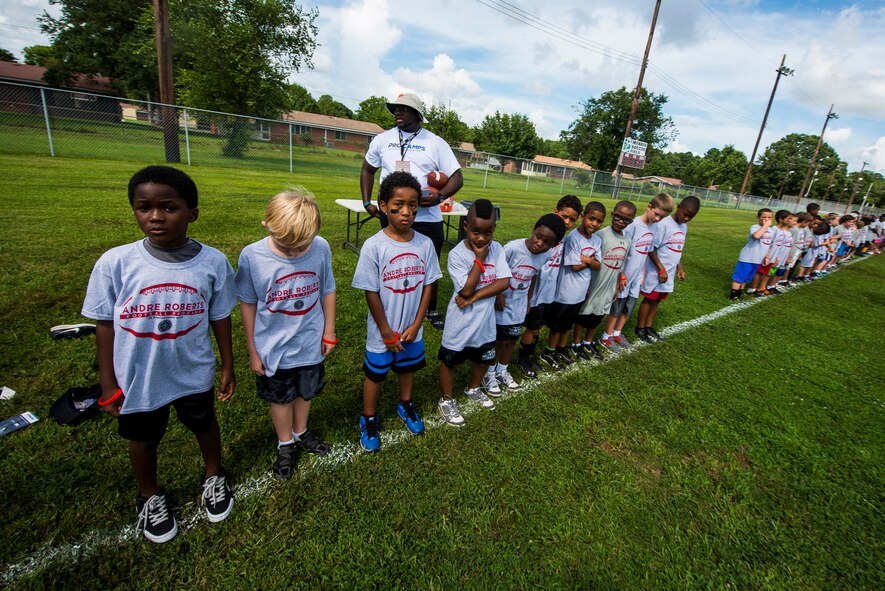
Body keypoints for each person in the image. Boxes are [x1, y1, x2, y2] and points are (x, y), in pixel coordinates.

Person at [81, 166, 236, 543]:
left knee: (203, 424)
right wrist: (107, 382)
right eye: (143, 207)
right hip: (139, 374)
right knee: (144, 437)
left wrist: (228, 364)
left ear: (192, 213)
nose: (155, 216)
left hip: (192, 368)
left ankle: (213, 474)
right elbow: (104, 324)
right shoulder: (116, 263)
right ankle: (149, 495)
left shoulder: (213, 262)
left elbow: (220, 316)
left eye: (169, 208)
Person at [235, 188, 336, 481]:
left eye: (302, 247)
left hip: (310, 342)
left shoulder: (321, 247)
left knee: (306, 391)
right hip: (273, 349)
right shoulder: (252, 256)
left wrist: (328, 332)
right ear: (267, 225)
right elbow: (248, 304)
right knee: (280, 399)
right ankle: (285, 443)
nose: (294, 253)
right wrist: (254, 351)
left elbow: (327, 289)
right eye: (287, 246)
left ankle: (301, 431)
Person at [351, 172, 442, 452]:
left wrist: (417, 324)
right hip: (384, 330)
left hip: (411, 328)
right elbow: (371, 291)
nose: (406, 212)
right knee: (375, 375)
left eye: (413, 205)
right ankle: (368, 418)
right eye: (399, 205)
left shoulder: (425, 244)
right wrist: (386, 331)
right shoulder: (374, 246)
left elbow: (429, 285)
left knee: (408, 368)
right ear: (383, 205)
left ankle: (406, 406)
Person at [360, 92, 463, 330]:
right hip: (392, 215)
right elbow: (367, 170)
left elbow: (457, 177)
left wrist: (440, 196)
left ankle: (431, 308)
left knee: (430, 264)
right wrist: (367, 202)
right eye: (395, 108)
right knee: (392, 261)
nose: (398, 112)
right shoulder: (382, 140)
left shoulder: (435, 142)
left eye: (404, 109)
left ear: (417, 114)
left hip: (427, 216)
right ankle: (389, 300)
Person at [437, 199, 511, 426]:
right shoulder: (457, 255)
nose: (481, 238)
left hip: (485, 321)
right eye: (476, 231)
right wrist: (479, 261)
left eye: (487, 232)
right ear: (465, 226)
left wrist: (477, 297)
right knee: (451, 360)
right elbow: (465, 290)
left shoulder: (497, 248)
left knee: (484, 357)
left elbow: (504, 282)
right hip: (460, 321)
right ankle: (447, 399)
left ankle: (473, 388)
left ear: (494, 230)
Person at [484, 214, 565, 394]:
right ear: (533, 230)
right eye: (539, 237)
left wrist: (528, 300)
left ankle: (501, 370)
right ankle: (488, 374)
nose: (540, 244)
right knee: (499, 341)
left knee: (512, 339)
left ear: (554, 245)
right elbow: (495, 270)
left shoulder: (545, 255)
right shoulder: (513, 248)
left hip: (519, 305)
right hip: (502, 303)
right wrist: (498, 296)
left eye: (547, 243)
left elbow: (533, 275)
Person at [514, 195, 582, 378]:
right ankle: (523, 358)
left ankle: (528, 355)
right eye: (564, 216)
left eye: (572, 219)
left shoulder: (565, 241)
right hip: (532, 293)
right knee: (529, 327)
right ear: (555, 212)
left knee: (537, 327)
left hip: (548, 294)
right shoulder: (544, 237)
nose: (567, 222)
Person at [539, 201, 605, 368]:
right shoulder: (573, 237)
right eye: (591, 219)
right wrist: (591, 260)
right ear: (583, 217)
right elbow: (574, 266)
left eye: (599, 221)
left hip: (581, 291)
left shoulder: (596, 240)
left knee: (567, 324)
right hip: (565, 290)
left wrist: (586, 259)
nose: (594, 224)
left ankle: (561, 348)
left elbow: (599, 265)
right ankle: (549, 350)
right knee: (557, 324)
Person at [603, 193, 673, 349]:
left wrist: (642, 274)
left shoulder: (655, 227)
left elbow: (647, 250)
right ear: (649, 207)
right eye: (656, 214)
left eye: (662, 217)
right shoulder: (633, 225)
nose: (657, 219)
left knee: (629, 306)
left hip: (637, 277)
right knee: (617, 307)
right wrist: (620, 274)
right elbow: (622, 250)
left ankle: (617, 333)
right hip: (624, 275)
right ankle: (606, 336)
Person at [573, 200, 636, 356]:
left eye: (626, 220)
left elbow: (619, 265)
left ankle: (588, 342)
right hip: (593, 284)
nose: (621, 221)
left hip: (608, 287)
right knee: (583, 315)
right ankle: (576, 343)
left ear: (631, 222)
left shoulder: (627, 241)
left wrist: (615, 287)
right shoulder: (600, 235)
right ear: (612, 214)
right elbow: (590, 259)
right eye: (618, 217)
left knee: (598, 315)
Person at [635, 196, 701, 342]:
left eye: (691, 216)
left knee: (657, 300)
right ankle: (640, 328)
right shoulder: (663, 224)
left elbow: (676, 249)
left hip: (669, 272)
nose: (687, 218)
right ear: (679, 207)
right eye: (685, 214)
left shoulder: (683, 227)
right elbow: (651, 248)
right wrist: (660, 269)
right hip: (656, 271)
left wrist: (680, 268)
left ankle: (648, 327)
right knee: (649, 299)